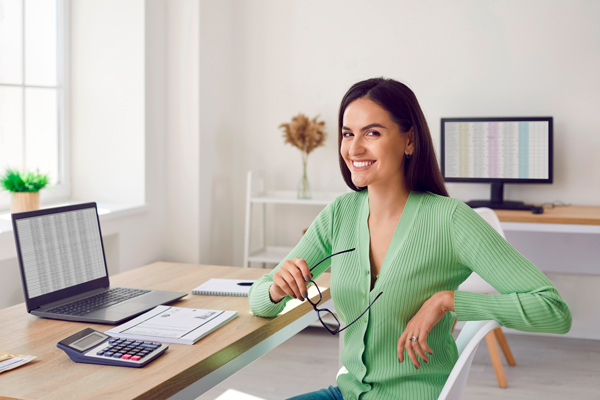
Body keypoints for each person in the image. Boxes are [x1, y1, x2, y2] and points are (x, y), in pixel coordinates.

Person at [248, 77, 572, 400]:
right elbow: (259, 300)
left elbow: (554, 311)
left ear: (409, 141)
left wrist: (448, 301)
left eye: (372, 133)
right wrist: (277, 289)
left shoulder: (451, 219)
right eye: (348, 134)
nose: (355, 148)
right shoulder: (340, 213)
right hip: (346, 394)